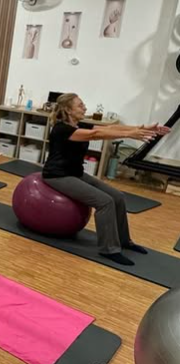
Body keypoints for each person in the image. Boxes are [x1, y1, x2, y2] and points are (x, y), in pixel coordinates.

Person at [42, 93, 168, 265]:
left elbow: (108, 129)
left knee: (117, 196)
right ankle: (109, 249)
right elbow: (96, 134)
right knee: (105, 201)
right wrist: (133, 134)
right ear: (68, 110)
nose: (84, 107)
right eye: (80, 105)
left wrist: (143, 128)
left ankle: (124, 241)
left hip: (75, 173)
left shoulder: (79, 125)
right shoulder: (62, 129)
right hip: (57, 175)